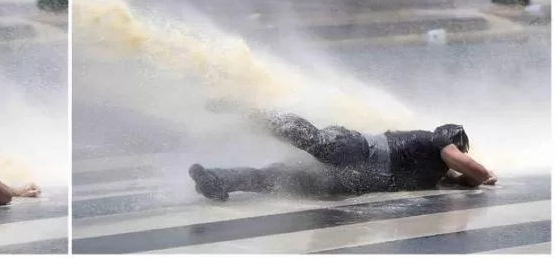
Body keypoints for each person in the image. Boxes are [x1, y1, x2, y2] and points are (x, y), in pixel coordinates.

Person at [189, 112, 497, 201]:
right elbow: (472, 171)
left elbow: (463, 178)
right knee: (312, 139)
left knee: (277, 178)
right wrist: (488, 176)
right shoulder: (436, 141)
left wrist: (471, 180)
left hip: (352, 178)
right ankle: (251, 114)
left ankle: (216, 180)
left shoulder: (436, 174)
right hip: (356, 149)